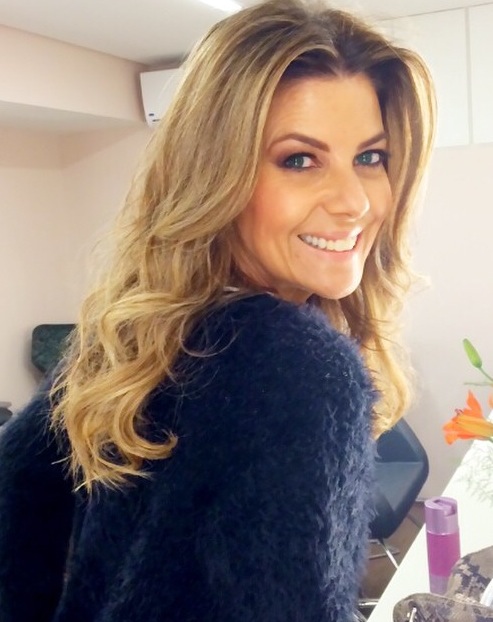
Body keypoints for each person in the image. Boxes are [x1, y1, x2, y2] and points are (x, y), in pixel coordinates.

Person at [0, 0, 435, 620]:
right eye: (299, 160)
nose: (354, 203)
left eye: (370, 157)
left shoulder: (133, 332)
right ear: (215, 178)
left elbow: (14, 489)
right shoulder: (300, 367)